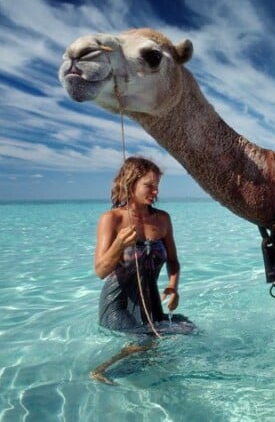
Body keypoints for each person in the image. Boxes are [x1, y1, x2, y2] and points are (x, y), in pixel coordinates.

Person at [90, 156, 189, 382]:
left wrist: (173, 287)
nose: (155, 191)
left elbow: (173, 261)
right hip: (119, 302)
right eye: (149, 185)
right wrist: (119, 245)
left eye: (157, 186)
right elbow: (100, 270)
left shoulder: (163, 219)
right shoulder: (111, 219)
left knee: (187, 331)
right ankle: (100, 370)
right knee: (145, 341)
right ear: (130, 182)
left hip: (150, 300)